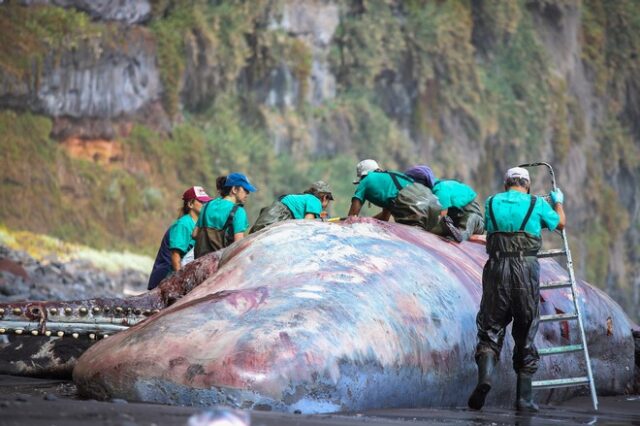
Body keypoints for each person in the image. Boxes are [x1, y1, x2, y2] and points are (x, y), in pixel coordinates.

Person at [468, 166, 566, 412]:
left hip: (497, 268)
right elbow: (560, 224)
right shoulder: (536, 203)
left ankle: (485, 379)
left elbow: (489, 229)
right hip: (525, 269)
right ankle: (524, 399)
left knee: (490, 328)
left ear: (506, 184)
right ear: (527, 185)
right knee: (525, 329)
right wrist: (558, 203)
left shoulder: (491, 203)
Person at [147, 186, 214, 290]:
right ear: (190, 204)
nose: (205, 205)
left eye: (206, 202)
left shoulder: (197, 224)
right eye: (201, 202)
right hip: (165, 281)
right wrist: (181, 283)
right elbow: (175, 256)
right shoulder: (183, 224)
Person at [347, 159, 441, 230]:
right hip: (433, 203)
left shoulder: (366, 180)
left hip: (415, 206)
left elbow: (351, 218)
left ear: (363, 175)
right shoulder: (390, 181)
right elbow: (384, 218)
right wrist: (367, 220)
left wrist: (359, 221)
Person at [405, 165, 484, 242]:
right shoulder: (431, 195)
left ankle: (459, 236)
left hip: (475, 221)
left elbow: (442, 216)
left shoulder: (440, 189)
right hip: (454, 222)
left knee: (469, 219)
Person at [192, 173, 256, 258]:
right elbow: (239, 245)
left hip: (200, 261)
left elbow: (195, 234)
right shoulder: (238, 212)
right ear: (234, 189)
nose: (247, 194)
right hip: (219, 265)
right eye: (245, 190)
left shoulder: (207, 205)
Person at [250, 181, 334, 233]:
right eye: (329, 199)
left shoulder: (304, 198)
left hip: (271, 212)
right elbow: (308, 224)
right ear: (325, 197)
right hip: (278, 215)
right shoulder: (315, 201)